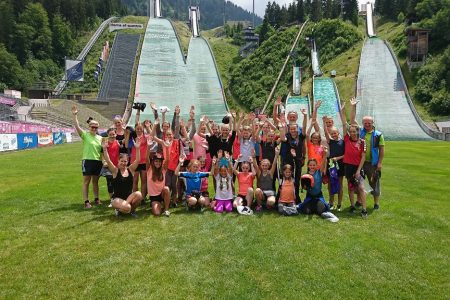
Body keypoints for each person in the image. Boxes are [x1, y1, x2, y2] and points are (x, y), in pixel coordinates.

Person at [350, 98, 385, 210]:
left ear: (372, 123)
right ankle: (359, 201)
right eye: (365, 123)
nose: (367, 124)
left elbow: (382, 150)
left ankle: (376, 203)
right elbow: (352, 119)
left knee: (374, 181)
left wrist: (379, 163)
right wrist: (353, 106)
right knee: (359, 182)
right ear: (363, 123)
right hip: (361, 162)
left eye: (369, 123)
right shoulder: (360, 131)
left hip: (372, 163)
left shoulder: (379, 135)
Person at [102, 138, 143, 217]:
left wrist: (137, 148)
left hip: (129, 198)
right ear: (118, 161)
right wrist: (104, 149)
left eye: (125, 161)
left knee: (139, 194)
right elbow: (108, 160)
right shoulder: (115, 171)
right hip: (117, 199)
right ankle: (121, 209)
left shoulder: (130, 169)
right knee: (127, 207)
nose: (123, 163)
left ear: (127, 162)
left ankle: (130, 211)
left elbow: (138, 160)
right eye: (122, 161)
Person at [72, 105, 103, 208]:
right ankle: (86, 201)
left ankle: (97, 199)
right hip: (87, 161)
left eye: (96, 127)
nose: (94, 128)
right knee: (86, 182)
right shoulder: (85, 135)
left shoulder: (100, 138)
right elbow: (77, 126)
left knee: (95, 182)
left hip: (97, 161)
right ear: (89, 127)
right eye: (92, 127)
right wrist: (75, 115)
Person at [297, 149, 338, 222]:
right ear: (308, 166)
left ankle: (318, 208)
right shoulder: (306, 175)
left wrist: (325, 155)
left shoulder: (319, 172)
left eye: (313, 165)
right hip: (309, 197)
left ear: (316, 165)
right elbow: (304, 188)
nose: (312, 166)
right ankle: (311, 207)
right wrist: (305, 187)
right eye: (310, 165)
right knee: (306, 211)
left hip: (318, 197)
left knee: (321, 211)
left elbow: (323, 164)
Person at [279, 109, 308, 202]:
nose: (293, 130)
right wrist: (282, 128)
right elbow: (282, 138)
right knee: (287, 179)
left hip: (298, 161)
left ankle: (296, 197)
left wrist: (305, 116)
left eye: (294, 129)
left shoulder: (301, 136)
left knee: (297, 179)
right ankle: (285, 196)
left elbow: (304, 127)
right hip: (288, 161)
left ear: (297, 129)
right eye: (291, 129)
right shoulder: (287, 136)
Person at [342, 117, 368, 218]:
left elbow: (363, 157)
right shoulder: (347, 139)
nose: (352, 133)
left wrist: (358, 170)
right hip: (348, 166)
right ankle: (352, 206)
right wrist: (342, 111)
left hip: (358, 167)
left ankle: (364, 209)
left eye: (354, 131)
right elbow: (344, 124)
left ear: (358, 132)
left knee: (361, 188)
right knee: (351, 187)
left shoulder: (362, 142)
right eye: (351, 131)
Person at [323, 105, 346, 211]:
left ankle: (339, 204)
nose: (334, 135)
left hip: (340, 165)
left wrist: (338, 158)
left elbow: (346, 155)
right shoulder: (330, 141)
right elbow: (325, 132)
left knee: (340, 184)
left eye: (335, 133)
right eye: (332, 134)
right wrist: (324, 122)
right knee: (331, 184)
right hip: (331, 164)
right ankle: (331, 202)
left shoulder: (343, 142)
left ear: (338, 133)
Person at [253, 147, 280, 211]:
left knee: (271, 202)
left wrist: (276, 155)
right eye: (263, 165)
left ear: (268, 166)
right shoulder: (259, 173)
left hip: (270, 193)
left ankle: (267, 204)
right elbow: (255, 165)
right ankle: (259, 206)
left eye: (266, 165)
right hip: (262, 193)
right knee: (257, 190)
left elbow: (274, 164)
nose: (264, 167)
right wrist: (254, 157)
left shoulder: (270, 173)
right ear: (261, 166)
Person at [146, 152, 171, 217]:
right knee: (157, 213)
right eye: (156, 161)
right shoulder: (149, 169)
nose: (158, 163)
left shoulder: (163, 169)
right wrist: (148, 147)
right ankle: (158, 204)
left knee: (166, 189)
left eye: (160, 161)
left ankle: (166, 209)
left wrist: (167, 147)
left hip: (162, 194)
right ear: (153, 162)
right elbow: (146, 158)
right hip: (154, 197)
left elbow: (168, 160)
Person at [102, 128, 120, 203]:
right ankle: (112, 200)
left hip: (117, 166)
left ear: (116, 134)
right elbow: (102, 154)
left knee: (117, 182)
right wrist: (104, 161)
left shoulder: (118, 143)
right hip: (108, 166)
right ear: (108, 135)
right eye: (110, 134)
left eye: (113, 134)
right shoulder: (105, 143)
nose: (112, 136)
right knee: (110, 182)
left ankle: (117, 198)